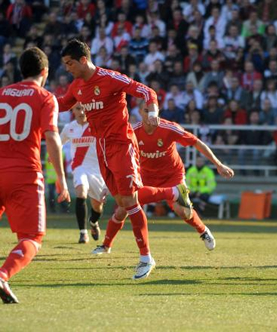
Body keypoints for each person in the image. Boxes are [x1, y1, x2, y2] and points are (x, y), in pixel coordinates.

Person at [56, 39, 189, 280]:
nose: (67, 68)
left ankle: (146, 258)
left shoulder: (110, 78)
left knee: (129, 199)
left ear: (83, 60)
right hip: (102, 149)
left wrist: (154, 112)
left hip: (122, 144)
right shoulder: (77, 86)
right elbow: (62, 103)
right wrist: (37, 102)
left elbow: (147, 92)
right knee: (123, 202)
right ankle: (172, 193)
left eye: (70, 63)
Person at [91, 107, 234, 254]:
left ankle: (203, 230)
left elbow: (196, 142)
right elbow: (119, 160)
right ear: (140, 112)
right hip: (145, 177)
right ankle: (106, 245)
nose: (151, 114)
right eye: (146, 110)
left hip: (173, 176)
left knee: (183, 212)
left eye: (153, 110)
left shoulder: (169, 128)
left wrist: (218, 164)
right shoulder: (132, 132)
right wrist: (108, 186)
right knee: (123, 208)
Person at [0, 47, 70, 304]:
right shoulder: (45, 97)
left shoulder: (1, 94)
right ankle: (3, 275)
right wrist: (61, 177)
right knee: (32, 237)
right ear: (45, 72)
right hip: (24, 175)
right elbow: (51, 137)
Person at [60, 102, 107, 244]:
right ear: (73, 110)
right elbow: (58, 142)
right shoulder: (69, 128)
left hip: (97, 170)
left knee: (97, 206)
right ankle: (83, 233)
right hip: (79, 167)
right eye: (78, 109)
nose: (82, 112)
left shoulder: (96, 125)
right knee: (81, 192)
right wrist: (52, 154)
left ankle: (93, 222)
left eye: (84, 108)